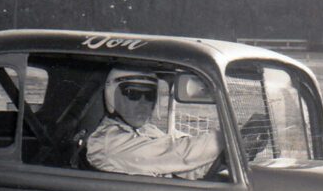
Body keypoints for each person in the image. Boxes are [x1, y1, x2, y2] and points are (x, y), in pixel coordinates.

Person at [85, 69, 223, 180]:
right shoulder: (109, 142)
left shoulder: (147, 130)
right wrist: (224, 138)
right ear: (112, 95)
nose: (143, 104)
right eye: (133, 94)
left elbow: (184, 167)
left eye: (149, 96)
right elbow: (176, 154)